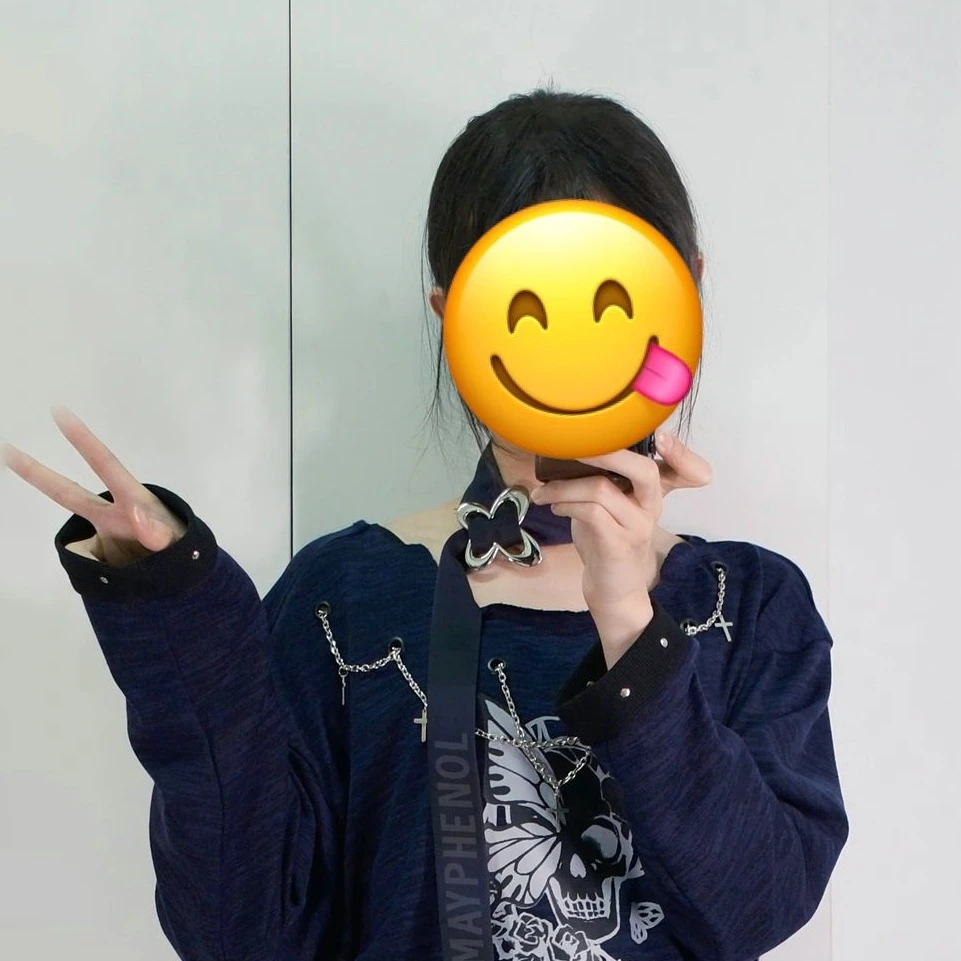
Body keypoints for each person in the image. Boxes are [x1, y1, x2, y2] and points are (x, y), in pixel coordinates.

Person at [2, 88, 848, 961]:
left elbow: (757, 905)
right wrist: (181, 610)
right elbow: (238, 932)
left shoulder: (747, 606)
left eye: (609, 297)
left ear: (684, 290)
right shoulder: (346, 600)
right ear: (453, 315)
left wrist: (630, 621)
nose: (569, 347)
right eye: (525, 303)